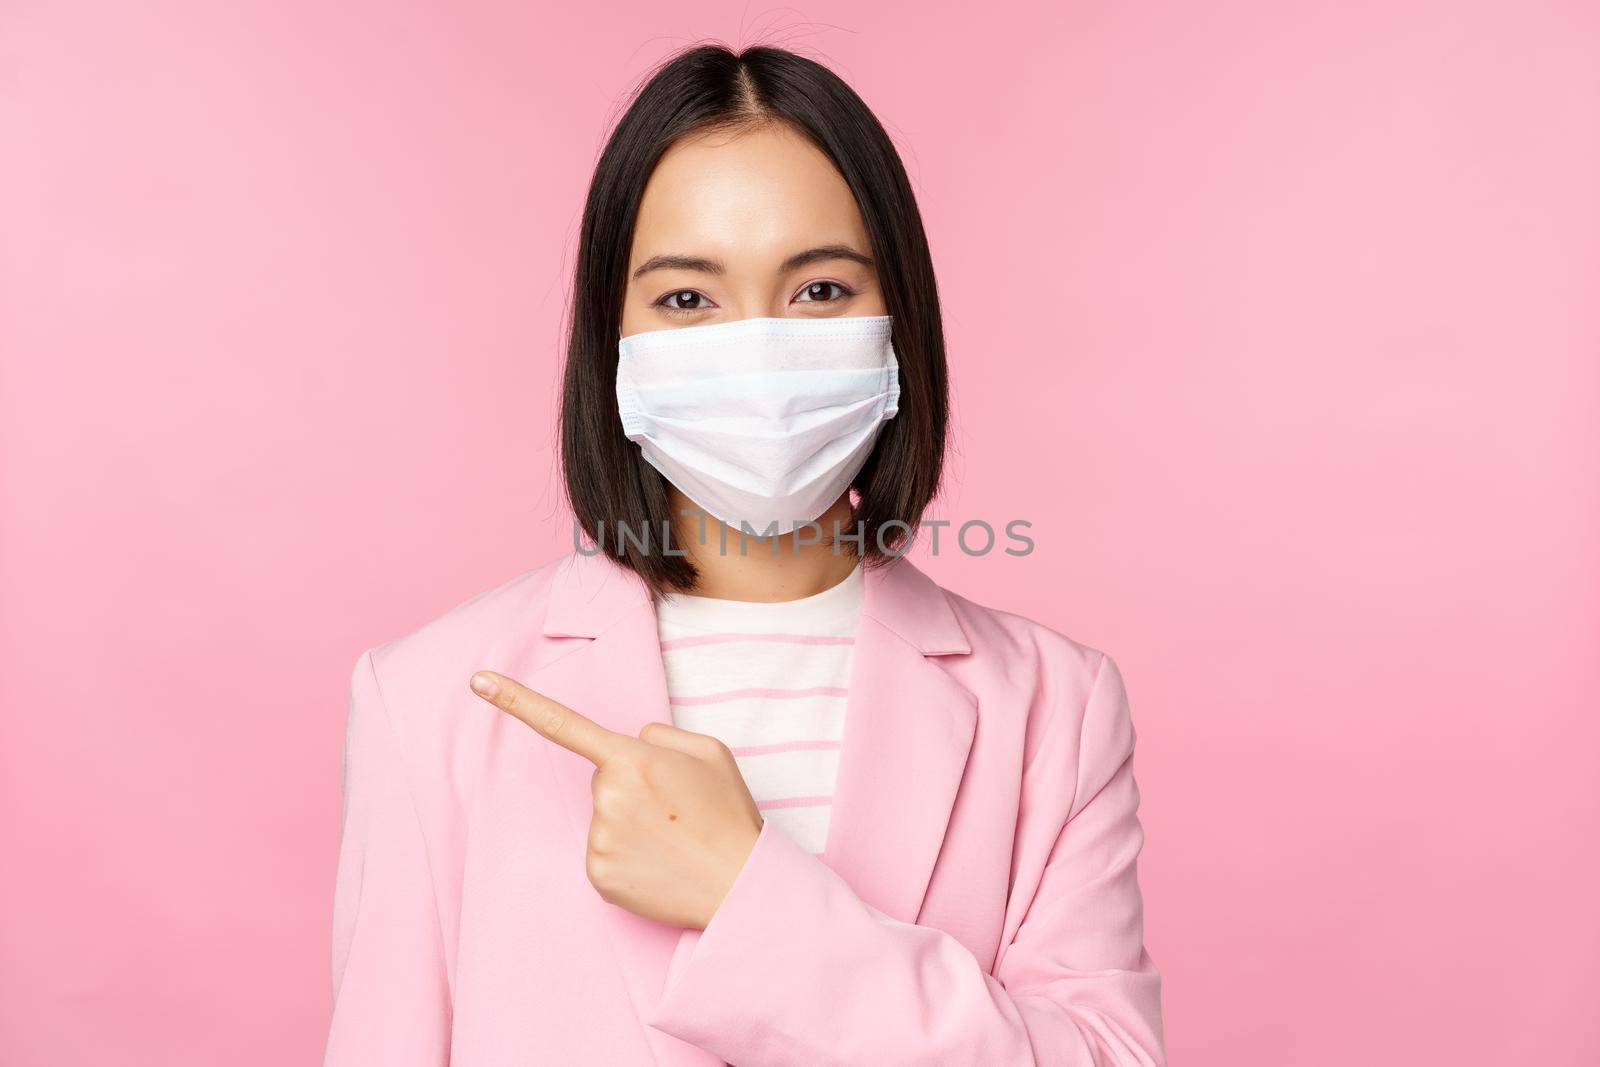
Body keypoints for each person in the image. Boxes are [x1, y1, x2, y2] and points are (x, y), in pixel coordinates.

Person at [324, 42, 1166, 1067]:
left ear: (899, 324)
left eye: (818, 291)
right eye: (687, 300)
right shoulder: (426, 704)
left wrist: (748, 896)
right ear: (614, 344)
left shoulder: (1054, 708)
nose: (758, 350)